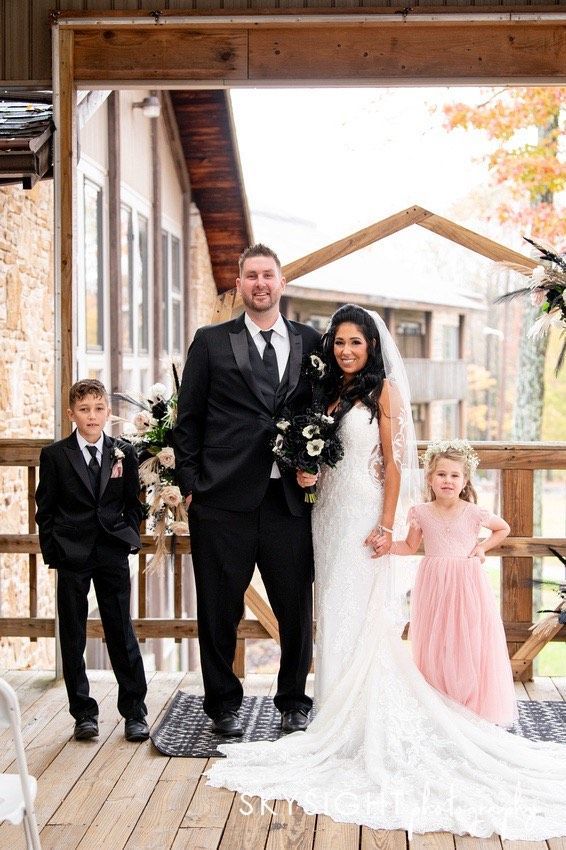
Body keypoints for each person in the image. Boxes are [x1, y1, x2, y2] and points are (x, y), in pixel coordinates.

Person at [206, 305, 566, 840]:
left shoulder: (384, 393)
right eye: (339, 342)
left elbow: (394, 464)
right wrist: (308, 472)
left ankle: (360, 718)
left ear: (372, 345)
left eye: (356, 342)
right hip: (325, 512)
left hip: (363, 512)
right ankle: (334, 713)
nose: (346, 350)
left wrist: (383, 523)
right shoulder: (328, 391)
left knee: (359, 609)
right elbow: (326, 453)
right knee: (331, 609)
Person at [173, 244, 320, 736]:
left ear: (282, 283)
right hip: (220, 502)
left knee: (295, 608)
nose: (260, 284)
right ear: (239, 285)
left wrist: (315, 467)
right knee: (218, 609)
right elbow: (187, 420)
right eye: (251, 276)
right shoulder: (211, 341)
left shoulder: (310, 341)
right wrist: (191, 487)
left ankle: (294, 701)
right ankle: (222, 705)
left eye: (268, 276)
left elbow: (322, 416)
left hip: (287, 502)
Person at [35, 379, 149, 742]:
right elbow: (46, 509)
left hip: (112, 551)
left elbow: (134, 501)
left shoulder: (123, 452)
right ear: (72, 414)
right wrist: (55, 552)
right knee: (73, 634)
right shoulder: (55, 456)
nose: (92, 416)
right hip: (72, 554)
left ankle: (134, 712)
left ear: (108, 412)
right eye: (84, 410)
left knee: (121, 630)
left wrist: (128, 537)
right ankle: (83, 713)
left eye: (98, 409)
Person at [390, 439, 516, 725]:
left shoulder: (473, 512)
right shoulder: (419, 512)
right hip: (434, 583)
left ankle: (467, 701)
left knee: (467, 637)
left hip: (466, 582)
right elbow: (410, 546)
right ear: (430, 479)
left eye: (454, 475)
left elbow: (502, 528)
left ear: (464, 480)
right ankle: (439, 698)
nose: (448, 480)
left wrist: (483, 547)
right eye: (442, 474)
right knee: (435, 639)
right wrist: (384, 546)